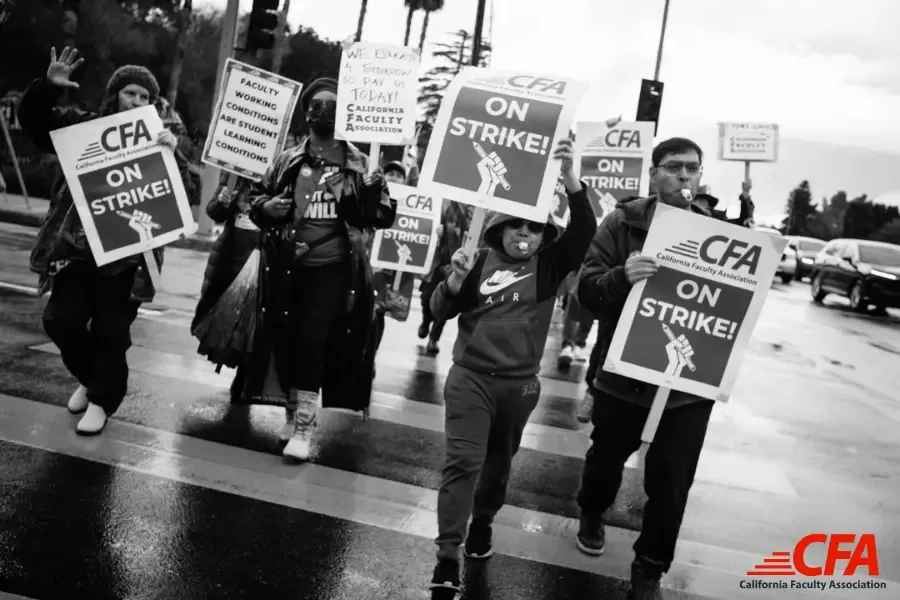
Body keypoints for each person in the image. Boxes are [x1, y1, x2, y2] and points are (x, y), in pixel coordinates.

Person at [426, 138, 596, 599]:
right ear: (498, 228)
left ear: (545, 235)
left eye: (535, 227)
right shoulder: (474, 260)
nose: (525, 233)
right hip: (470, 381)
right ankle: (446, 556)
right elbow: (438, 311)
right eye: (516, 224)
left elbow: (584, 231)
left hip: (519, 390)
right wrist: (453, 281)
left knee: (498, 471)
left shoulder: (548, 267)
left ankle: (483, 521)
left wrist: (570, 177)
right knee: (462, 463)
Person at [575, 137, 739, 600]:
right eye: (673, 167)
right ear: (653, 173)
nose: (684, 177)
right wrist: (621, 277)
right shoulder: (621, 224)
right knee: (605, 460)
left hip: (687, 388)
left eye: (692, 169)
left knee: (671, 482)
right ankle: (592, 508)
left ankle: (650, 567)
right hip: (623, 373)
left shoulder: (722, 236)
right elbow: (586, 291)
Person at [18, 47, 194, 435]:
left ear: (155, 103)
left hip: (129, 259)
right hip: (79, 251)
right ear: (115, 94)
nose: (137, 101)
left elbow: (187, 193)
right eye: (130, 93)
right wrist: (47, 88)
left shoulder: (163, 138)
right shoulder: (84, 128)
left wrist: (174, 155)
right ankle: (94, 378)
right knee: (60, 321)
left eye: (146, 97)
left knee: (110, 334)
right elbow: (34, 123)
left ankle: (100, 400)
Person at [245, 77, 396, 461]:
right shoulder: (287, 159)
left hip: (333, 268)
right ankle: (292, 411)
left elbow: (382, 215)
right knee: (288, 340)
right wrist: (266, 209)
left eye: (331, 105)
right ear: (306, 113)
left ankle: (304, 427)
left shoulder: (360, 163)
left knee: (314, 340)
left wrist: (367, 193)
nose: (321, 111)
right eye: (315, 105)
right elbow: (255, 198)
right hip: (286, 264)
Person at [191, 173, 259, 401]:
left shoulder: (282, 174)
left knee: (254, 321)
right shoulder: (234, 175)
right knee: (229, 317)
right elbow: (214, 212)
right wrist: (223, 201)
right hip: (232, 257)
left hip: (262, 257)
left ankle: (245, 373)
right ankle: (233, 362)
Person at [417, 199, 473, 354]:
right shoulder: (440, 207)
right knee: (426, 299)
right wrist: (436, 234)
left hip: (454, 268)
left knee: (445, 303)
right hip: (435, 267)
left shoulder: (469, 214)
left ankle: (434, 339)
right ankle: (425, 321)